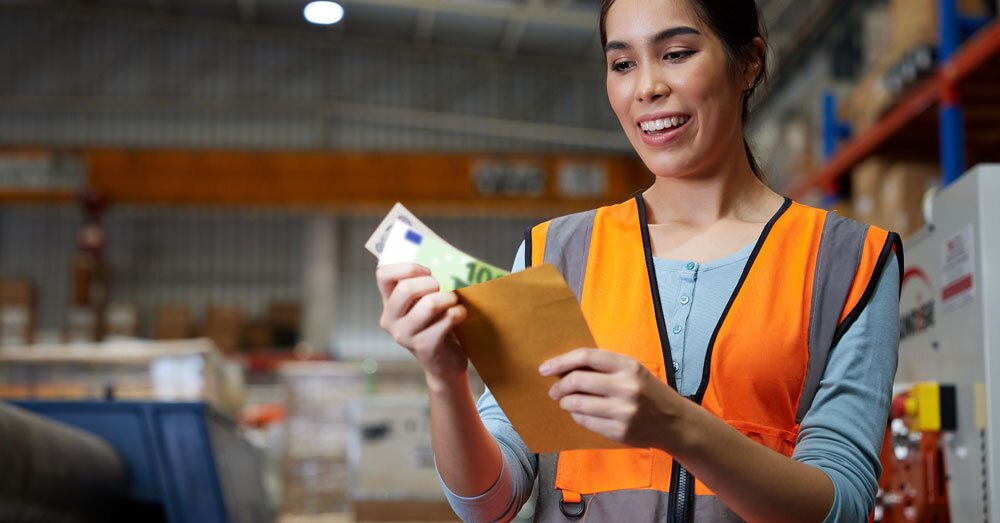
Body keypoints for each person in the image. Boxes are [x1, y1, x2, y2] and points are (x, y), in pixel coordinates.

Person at [375, 0, 902, 521]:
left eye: (675, 53)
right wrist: (445, 380)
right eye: (622, 64)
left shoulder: (849, 262)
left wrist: (673, 424)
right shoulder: (557, 252)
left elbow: (843, 506)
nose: (646, 87)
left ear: (749, 63)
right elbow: (489, 503)